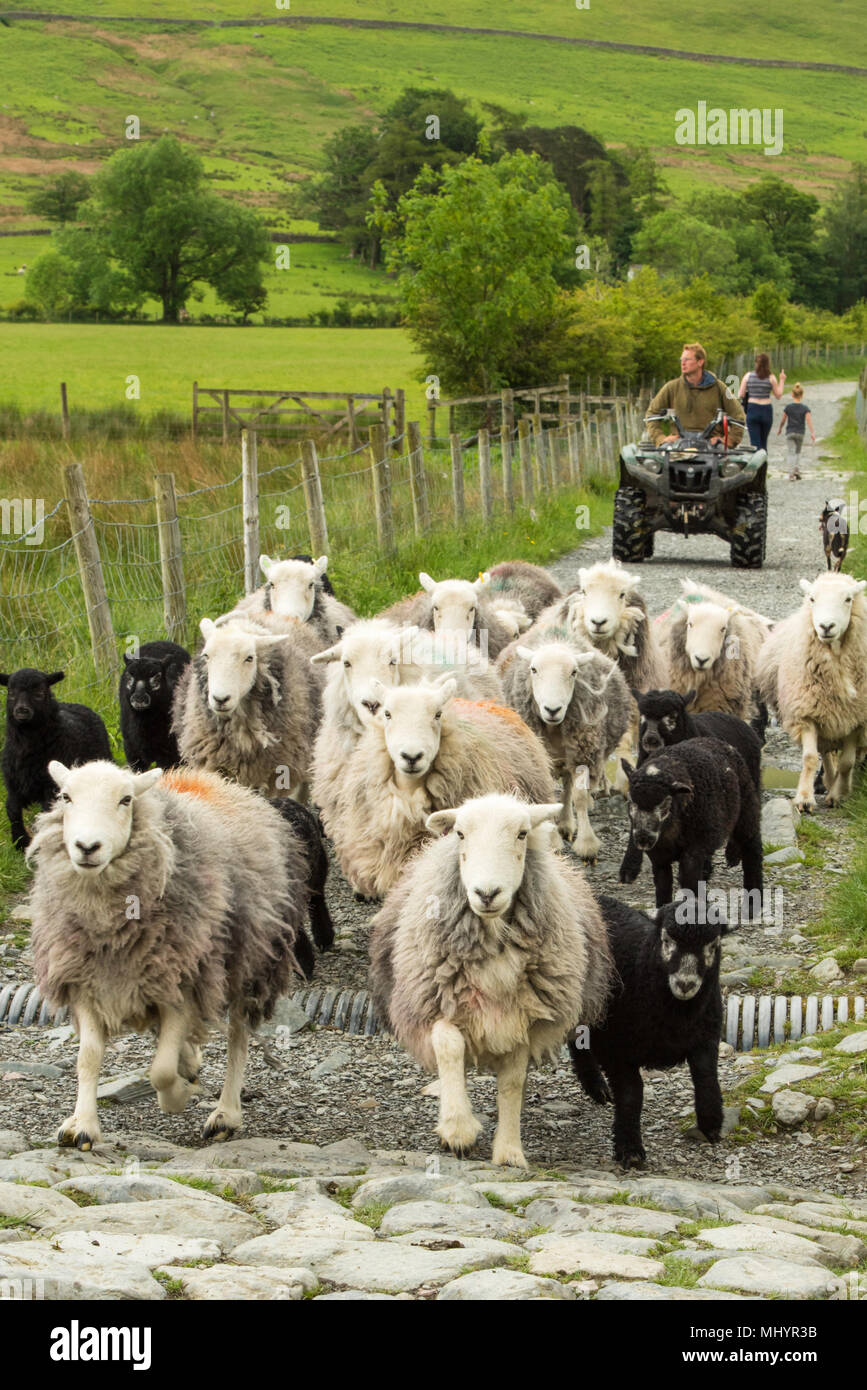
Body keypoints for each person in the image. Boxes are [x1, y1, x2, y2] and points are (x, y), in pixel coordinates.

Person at [645, 343, 745, 447]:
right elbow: (651, 414)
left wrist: (729, 441)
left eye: (687, 359)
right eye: (681, 359)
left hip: (711, 447)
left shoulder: (720, 388)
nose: (683, 363)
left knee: (727, 460)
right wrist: (660, 438)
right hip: (678, 445)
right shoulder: (671, 387)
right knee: (656, 460)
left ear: (700, 362)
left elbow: (739, 416)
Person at [738, 352, 785, 452]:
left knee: (755, 443)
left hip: (752, 409)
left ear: (756, 363)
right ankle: (763, 463)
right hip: (766, 409)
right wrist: (782, 380)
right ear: (768, 364)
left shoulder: (748, 376)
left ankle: (757, 464)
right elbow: (778, 395)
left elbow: (741, 394)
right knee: (764, 442)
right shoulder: (771, 378)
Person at [777, 382, 816, 481]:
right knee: (798, 452)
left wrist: (780, 428)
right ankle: (797, 470)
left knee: (791, 452)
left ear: (792, 394)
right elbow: (808, 420)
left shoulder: (788, 407)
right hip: (800, 433)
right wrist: (812, 433)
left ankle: (791, 474)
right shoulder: (805, 408)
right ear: (802, 395)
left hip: (790, 432)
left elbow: (783, 420)